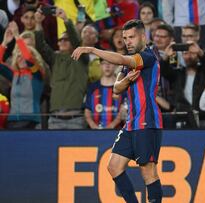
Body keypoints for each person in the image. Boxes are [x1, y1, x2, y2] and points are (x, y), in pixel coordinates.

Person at [72, 19, 163, 203]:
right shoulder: (130, 62)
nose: (127, 41)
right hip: (131, 123)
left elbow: (122, 60)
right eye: (125, 38)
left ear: (143, 36)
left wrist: (92, 49)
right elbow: (116, 88)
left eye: (131, 37)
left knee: (148, 171)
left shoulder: (147, 56)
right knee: (114, 166)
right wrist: (128, 80)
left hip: (147, 121)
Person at [35, 7, 89, 129]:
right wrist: (38, 23)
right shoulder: (55, 58)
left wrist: (65, 19)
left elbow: (76, 41)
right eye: (60, 40)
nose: (62, 42)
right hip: (54, 119)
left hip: (76, 119)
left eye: (66, 39)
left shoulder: (82, 57)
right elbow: (40, 46)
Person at [0, 22, 45, 129]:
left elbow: (28, 58)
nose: (21, 57)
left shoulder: (37, 73)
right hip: (12, 121)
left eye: (22, 55)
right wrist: (4, 42)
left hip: (31, 122)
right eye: (18, 56)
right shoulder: (14, 75)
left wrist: (17, 36)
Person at [84, 58, 126, 129]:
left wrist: (110, 127)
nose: (107, 66)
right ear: (100, 65)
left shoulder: (122, 87)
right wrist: (94, 127)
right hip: (95, 131)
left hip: (116, 132)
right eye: (104, 63)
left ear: (116, 65)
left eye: (110, 62)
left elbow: (123, 111)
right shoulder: (92, 87)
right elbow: (87, 111)